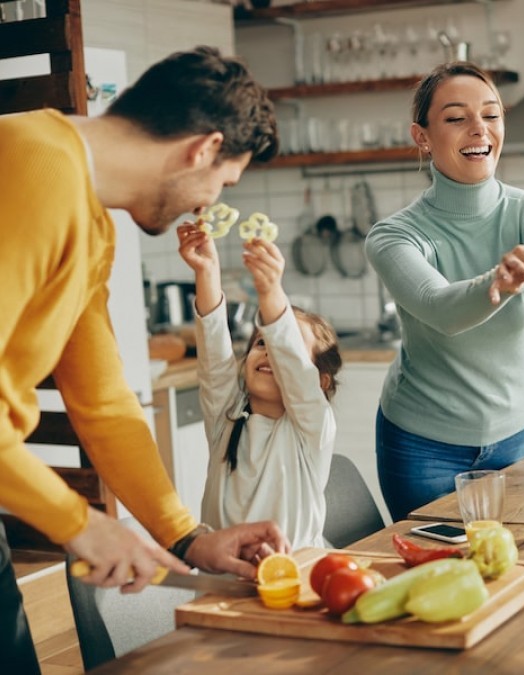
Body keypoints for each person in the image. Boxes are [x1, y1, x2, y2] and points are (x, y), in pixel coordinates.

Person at [0, 46, 290, 673]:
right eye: (223, 183)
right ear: (203, 149)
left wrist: (185, 537)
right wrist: (77, 521)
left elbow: (103, 403)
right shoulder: (33, 162)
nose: (207, 204)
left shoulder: (94, 225)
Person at [364, 62, 524, 521]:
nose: (478, 129)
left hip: (518, 436)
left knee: (511, 566)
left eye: (491, 114)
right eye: (455, 118)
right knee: (435, 574)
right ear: (421, 136)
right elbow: (439, 309)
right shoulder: (394, 235)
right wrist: (497, 282)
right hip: (422, 446)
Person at [177, 221, 341, 549]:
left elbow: (295, 370)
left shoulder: (312, 431)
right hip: (222, 590)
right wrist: (207, 273)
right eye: (259, 343)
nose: (268, 351)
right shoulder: (226, 420)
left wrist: (270, 294)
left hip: (297, 581)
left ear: (321, 381)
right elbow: (214, 360)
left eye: (279, 344)